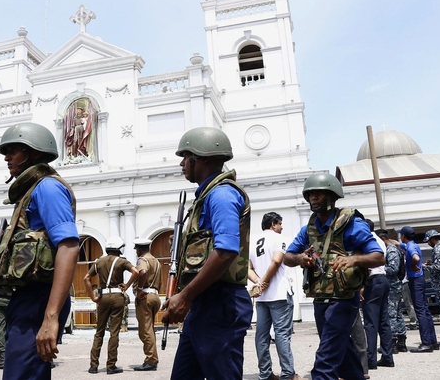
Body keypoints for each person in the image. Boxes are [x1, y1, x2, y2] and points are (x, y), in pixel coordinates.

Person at [162, 127, 252, 380]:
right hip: (204, 302)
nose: (181, 163)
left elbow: (225, 251)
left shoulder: (222, 194)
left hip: (220, 303)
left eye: (185, 156)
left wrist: (184, 296)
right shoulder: (206, 195)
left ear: (201, 158)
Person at [0, 122, 79, 380]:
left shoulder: (47, 187)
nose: (7, 157)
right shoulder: (31, 191)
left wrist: (51, 317)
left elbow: (69, 246)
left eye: (14, 150)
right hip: (27, 298)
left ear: (34, 153)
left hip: (40, 299)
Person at [284, 172, 384, 380]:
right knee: (341, 346)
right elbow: (287, 257)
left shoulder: (351, 224)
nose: (313, 198)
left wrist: (354, 260)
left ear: (331, 197)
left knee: (326, 356)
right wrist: (302, 258)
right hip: (321, 298)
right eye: (310, 194)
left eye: (318, 194)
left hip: (344, 299)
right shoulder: (309, 228)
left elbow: (378, 257)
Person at [249, 212, 300, 380]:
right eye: (280, 223)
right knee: (282, 335)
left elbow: (247, 268)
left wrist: (258, 282)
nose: (281, 227)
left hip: (262, 297)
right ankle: (288, 373)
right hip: (279, 293)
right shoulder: (279, 239)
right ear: (273, 224)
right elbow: (277, 261)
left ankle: (265, 373)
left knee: (261, 336)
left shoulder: (253, 241)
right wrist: (264, 280)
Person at [84, 236, 139, 374]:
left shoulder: (99, 262)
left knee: (99, 331)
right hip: (117, 297)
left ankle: (93, 365)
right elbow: (136, 272)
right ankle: (111, 365)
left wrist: (93, 296)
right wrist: (126, 285)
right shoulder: (122, 261)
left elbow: (86, 278)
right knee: (114, 332)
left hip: (103, 297)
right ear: (120, 249)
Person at [398, 226, 438, 352]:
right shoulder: (412, 245)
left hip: (415, 281)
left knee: (420, 311)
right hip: (420, 280)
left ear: (403, 236)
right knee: (425, 310)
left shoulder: (410, 247)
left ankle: (426, 343)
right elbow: (400, 245)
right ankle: (433, 342)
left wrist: (412, 265)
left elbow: (415, 258)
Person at [361, 220, 394, 369]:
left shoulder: (367, 239)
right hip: (383, 280)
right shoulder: (379, 240)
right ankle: (387, 356)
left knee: (370, 322)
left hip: (373, 281)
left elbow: (368, 265)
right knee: (383, 321)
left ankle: (371, 360)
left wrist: (361, 286)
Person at [131, 238, 162, 372]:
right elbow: (160, 282)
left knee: (145, 330)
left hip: (145, 296)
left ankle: (151, 360)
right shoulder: (157, 261)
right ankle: (152, 357)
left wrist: (139, 290)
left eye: (137, 249)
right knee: (150, 329)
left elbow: (142, 272)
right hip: (155, 296)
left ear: (139, 249)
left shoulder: (142, 260)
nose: (136, 252)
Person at [375, 229, 408, 353]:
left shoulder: (392, 250)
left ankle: (393, 343)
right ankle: (401, 341)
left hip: (392, 286)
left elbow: (393, 268)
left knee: (392, 314)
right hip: (393, 286)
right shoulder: (392, 249)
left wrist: (379, 268)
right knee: (397, 314)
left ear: (383, 239)